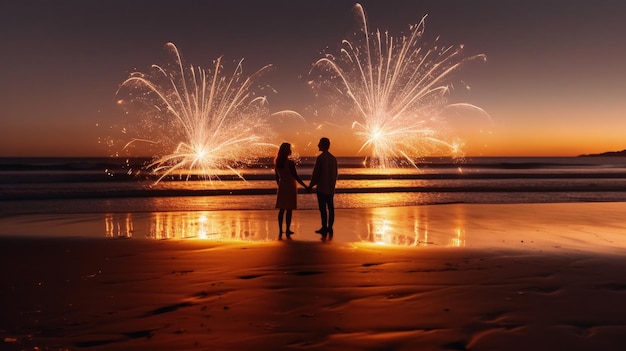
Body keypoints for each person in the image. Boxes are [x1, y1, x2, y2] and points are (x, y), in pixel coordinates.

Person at [274, 142, 307, 240]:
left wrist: (280, 185)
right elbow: (296, 176)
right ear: (286, 151)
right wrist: (305, 186)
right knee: (289, 209)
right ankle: (287, 229)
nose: (291, 150)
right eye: (290, 148)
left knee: (282, 209)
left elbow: (276, 177)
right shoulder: (290, 163)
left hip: (282, 186)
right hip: (290, 186)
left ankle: (280, 230)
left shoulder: (277, 162)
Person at [308, 137, 338, 240]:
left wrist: (311, 185)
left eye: (319, 143)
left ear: (323, 145)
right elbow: (335, 174)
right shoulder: (333, 159)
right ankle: (330, 227)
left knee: (323, 209)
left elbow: (317, 174)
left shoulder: (321, 158)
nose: (317, 145)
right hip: (330, 187)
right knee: (331, 208)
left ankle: (324, 227)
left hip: (321, 187)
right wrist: (333, 184)